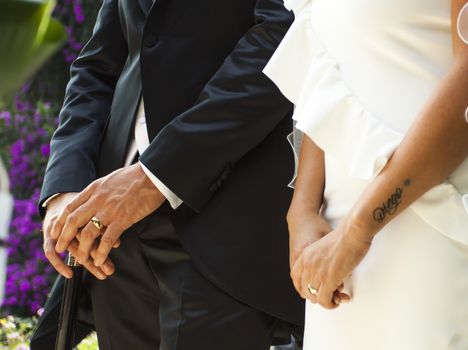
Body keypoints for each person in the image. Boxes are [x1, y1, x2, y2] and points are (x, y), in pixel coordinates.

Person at [31, 0, 304, 349]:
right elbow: (98, 66)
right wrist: (64, 189)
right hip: (112, 233)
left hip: (222, 223)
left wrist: (155, 176)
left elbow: (283, 37)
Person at [264, 0, 468, 349]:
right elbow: (325, 63)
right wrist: (304, 207)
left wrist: (358, 232)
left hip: (441, 232)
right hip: (337, 241)